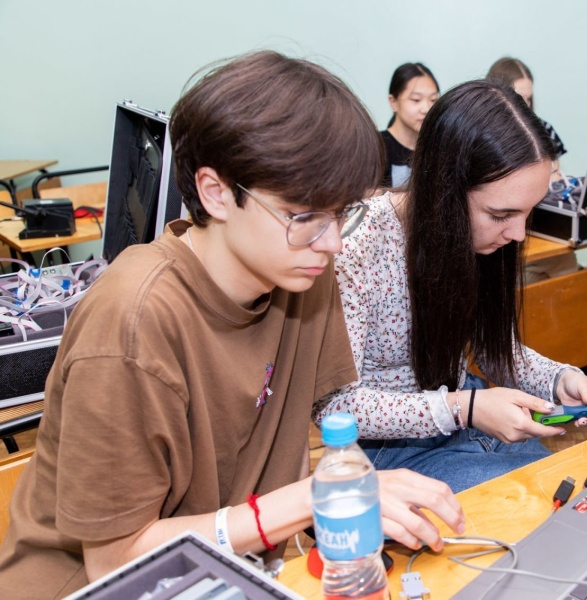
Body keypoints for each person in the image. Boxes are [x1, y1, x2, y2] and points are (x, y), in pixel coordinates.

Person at [0, 51, 464, 599]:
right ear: (216, 192)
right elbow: (115, 563)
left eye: (343, 213)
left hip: (231, 573)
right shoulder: (133, 322)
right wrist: (306, 501)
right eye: (305, 215)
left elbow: (297, 439)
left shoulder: (301, 270)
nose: (333, 242)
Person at [314, 80, 587, 493]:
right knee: (529, 504)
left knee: (561, 494)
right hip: (387, 450)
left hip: (464, 411)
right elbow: (334, 406)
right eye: (501, 215)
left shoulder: (474, 238)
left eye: (527, 213)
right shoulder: (356, 246)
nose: (518, 234)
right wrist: (463, 409)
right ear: (444, 190)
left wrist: (558, 379)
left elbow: (489, 348)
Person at [486, 56, 579, 284]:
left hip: (545, 232)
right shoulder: (486, 139)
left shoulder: (543, 130)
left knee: (569, 280)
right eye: (519, 98)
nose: (525, 106)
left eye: (529, 98)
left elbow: (556, 181)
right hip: (507, 244)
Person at [380, 62, 440, 188]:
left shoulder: (439, 148)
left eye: (433, 100)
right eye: (416, 100)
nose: (426, 109)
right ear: (393, 102)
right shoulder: (376, 146)